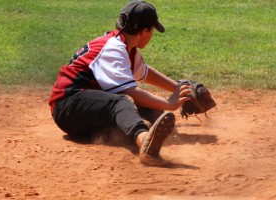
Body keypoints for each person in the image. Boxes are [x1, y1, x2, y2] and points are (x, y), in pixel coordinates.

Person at [49, 0, 191, 166]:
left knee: (152, 112)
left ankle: (126, 133)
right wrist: (169, 103)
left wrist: (179, 88)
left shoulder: (125, 46)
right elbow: (131, 92)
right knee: (122, 101)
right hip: (67, 106)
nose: (152, 35)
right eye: (152, 30)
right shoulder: (113, 48)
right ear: (144, 31)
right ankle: (145, 142)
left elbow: (144, 72)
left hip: (83, 111)